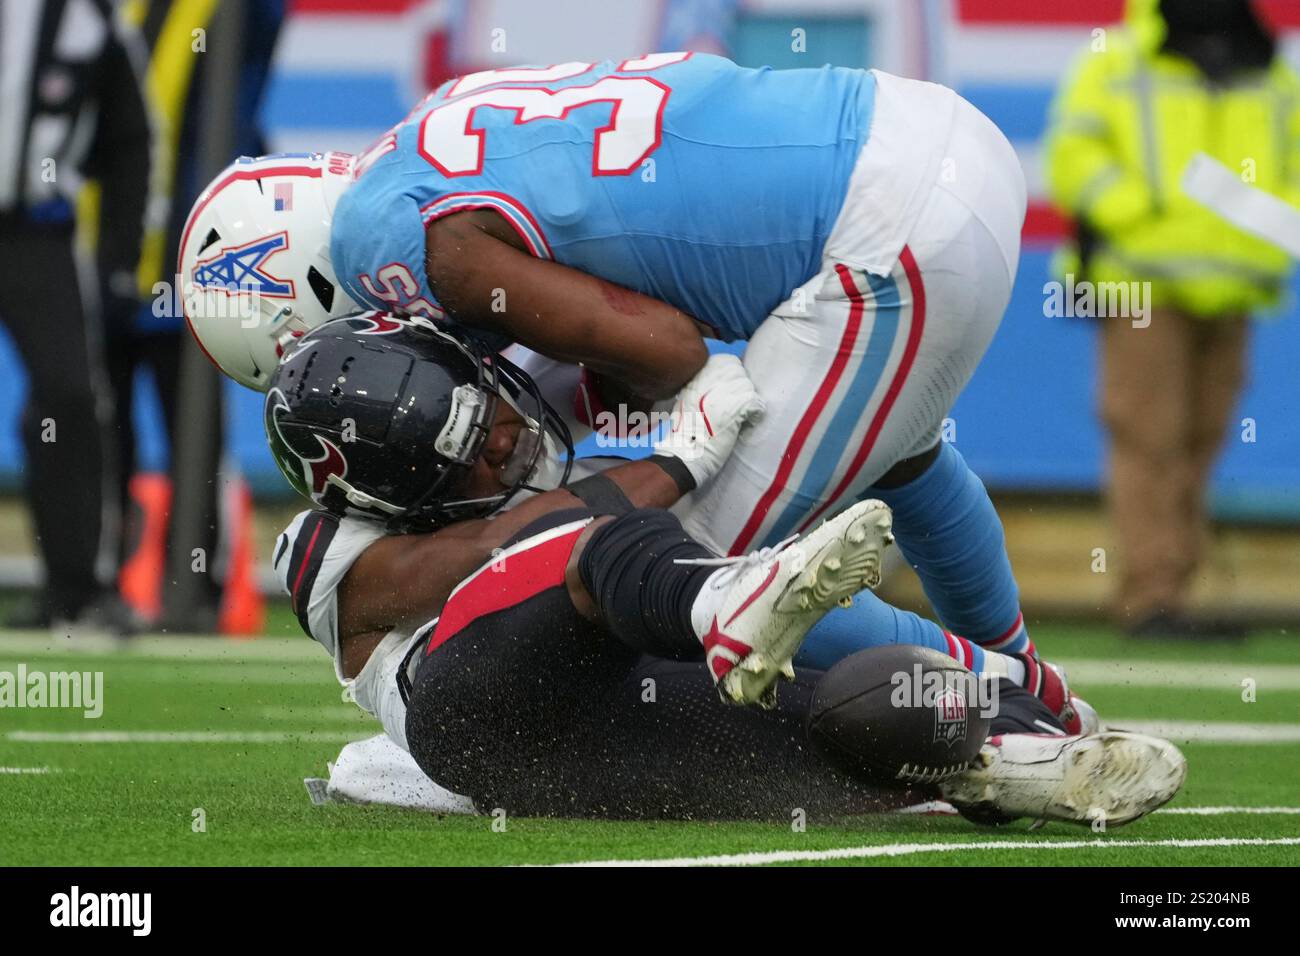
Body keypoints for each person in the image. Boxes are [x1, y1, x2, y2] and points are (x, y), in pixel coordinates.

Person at [182, 53, 1040, 702]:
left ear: (318, 296)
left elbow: (666, 350)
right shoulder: (420, 144)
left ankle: (1012, 707)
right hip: (917, 136)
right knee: (905, 453)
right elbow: (606, 325)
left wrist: (671, 456)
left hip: (887, 227)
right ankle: (1022, 672)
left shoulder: (384, 250)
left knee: (701, 575)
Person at [267, 318, 1186, 823]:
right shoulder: (324, 550)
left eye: (493, 414)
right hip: (480, 715)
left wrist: (1011, 686)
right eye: (471, 453)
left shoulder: (517, 428)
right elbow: (486, 556)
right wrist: (680, 462)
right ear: (387, 494)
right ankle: (725, 595)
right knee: (587, 552)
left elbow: (635, 347)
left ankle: (1015, 765)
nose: (509, 445)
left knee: (861, 721)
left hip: (611, 738)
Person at [1045, 0, 1299, 638]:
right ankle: (1151, 597)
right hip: (1140, 283)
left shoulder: (1270, 71)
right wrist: (1142, 213)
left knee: (1200, 440)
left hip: (1234, 287)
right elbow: (1074, 152)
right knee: (1148, 436)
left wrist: (1266, 233)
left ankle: (1173, 591)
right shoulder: (1117, 57)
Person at [0, 0, 152, 634]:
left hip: (36, 233)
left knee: (69, 395)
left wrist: (120, 255)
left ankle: (78, 591)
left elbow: (129, 138)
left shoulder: (89, 18)